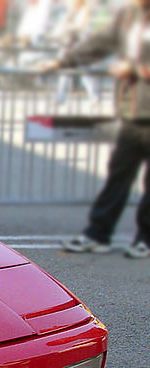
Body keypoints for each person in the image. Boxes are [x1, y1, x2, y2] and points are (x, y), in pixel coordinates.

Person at [43, 0, 150, 258]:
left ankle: (145, 238)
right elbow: (99, 43)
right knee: (118, 175)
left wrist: (134, 69)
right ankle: (97, 234)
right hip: (133, 113)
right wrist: (63, 61)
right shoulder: (128, 15)